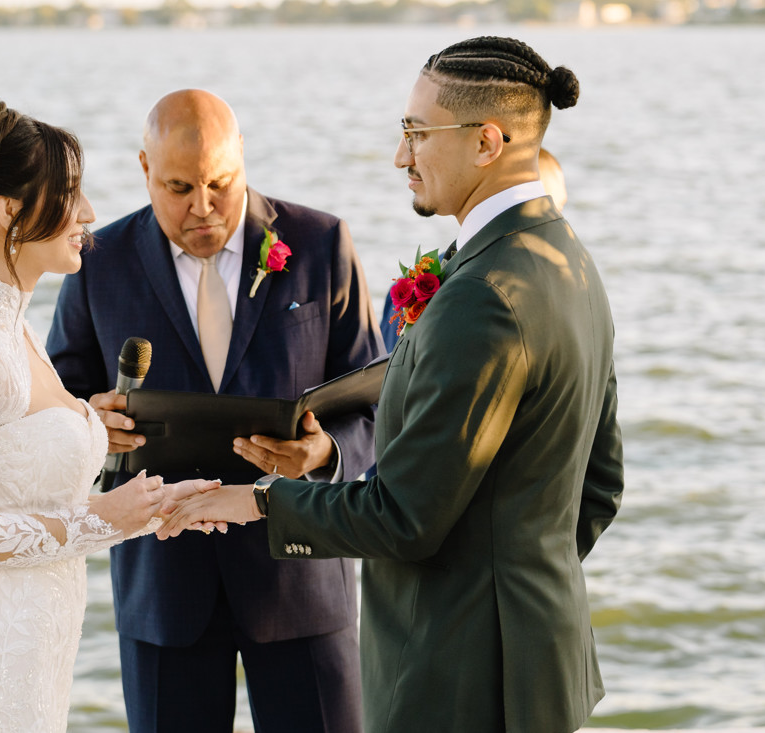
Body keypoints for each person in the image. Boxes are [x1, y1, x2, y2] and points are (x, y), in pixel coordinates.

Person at [160, 36, 625, 733]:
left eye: (415, 133)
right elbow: (600, 485)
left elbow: (401, 516)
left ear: (487, 142)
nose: (400, 156)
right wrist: (523, 584)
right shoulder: (567, 258)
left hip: (463, 679)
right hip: (537, 665)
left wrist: (253, 497)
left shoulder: (484, 297)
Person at [47, 89, 381, 733]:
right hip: (163, 585)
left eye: (220, 184)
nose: (203, 207)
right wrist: (91, 426)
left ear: (243, 159)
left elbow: (376, 405)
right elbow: (60, 401)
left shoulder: (321, 243)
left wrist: (325, 452)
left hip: (302, 577)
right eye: (178, 187)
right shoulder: (96, 263)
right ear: (144, 168)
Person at [0, 88, 213, 732]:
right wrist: (102, 522)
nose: (89, 212)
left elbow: (21, 485)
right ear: (9, 211)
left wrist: (153, 508)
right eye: (70, 195)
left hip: (30, 666)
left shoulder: (12, 326)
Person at [378, 146, 568, 351]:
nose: (557, 222)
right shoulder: (500, 288)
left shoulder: (410, 283)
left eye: (559, 209)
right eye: (549, 210)